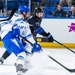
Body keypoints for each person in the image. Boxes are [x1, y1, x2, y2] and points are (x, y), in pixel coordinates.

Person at [0, 5, 41, 75]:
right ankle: (19, 69)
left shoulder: (26, 24)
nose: (29, 14)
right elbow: (2, 24)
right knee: (21, 53)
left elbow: (28, 36)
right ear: (23, 13)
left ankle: (21, 66)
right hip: (8, 37)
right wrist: (12, 28)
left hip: (14, 39)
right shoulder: (14, 17)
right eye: (27, 12)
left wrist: (34, 44)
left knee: (24, 53)